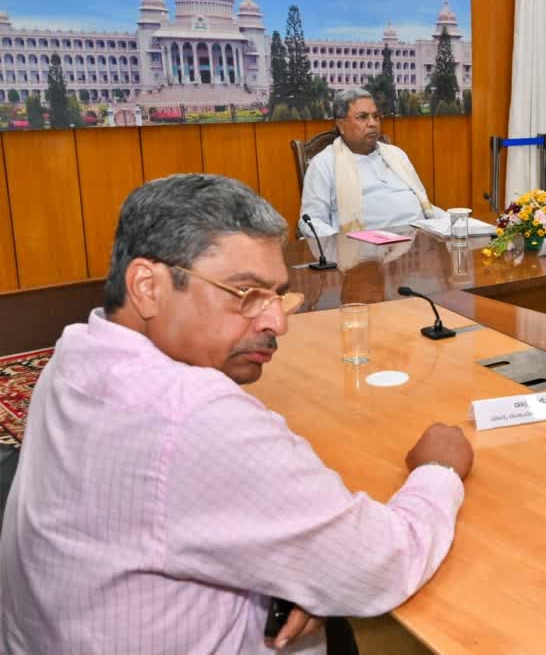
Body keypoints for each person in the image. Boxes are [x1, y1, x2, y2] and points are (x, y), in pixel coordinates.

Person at [0, 174, 475, 654]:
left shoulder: (76, 352)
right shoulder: (190, 416)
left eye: (277, 296)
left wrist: (291, 574)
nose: (277, 322)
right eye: (245, 294)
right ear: (147, 286)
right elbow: (379, 564)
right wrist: (439, 470)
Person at [300, 88, 445, 237]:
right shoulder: (324, 163)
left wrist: (455, 222)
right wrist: (341, 243)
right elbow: (310, 220)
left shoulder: (396, 154)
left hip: (419, 242)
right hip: (364, 251)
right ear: (341, 125)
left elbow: (424, 205)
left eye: (376, 116)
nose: (372, 123)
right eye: (362, 117)